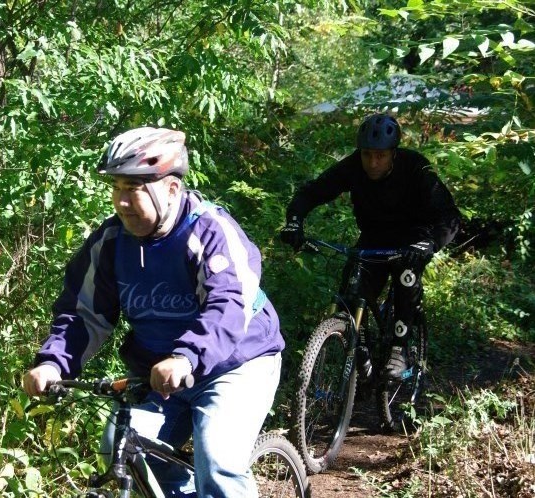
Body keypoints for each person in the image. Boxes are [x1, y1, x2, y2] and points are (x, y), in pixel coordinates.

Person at [23, 126, 285, 497]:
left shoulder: (210, 231)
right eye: (116, 188)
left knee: (218, 461)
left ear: (172, 188)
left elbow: (229, 303)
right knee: (118, 445)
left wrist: (187, 357)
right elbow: (84, 314)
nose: (121, 201)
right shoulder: (111, 244)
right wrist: (54, 363)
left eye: (133, 188)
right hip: (162, 375)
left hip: (237, 364)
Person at [280, 113, 460, 381]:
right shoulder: (353, 166)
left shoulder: (416, 168)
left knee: (405, 275)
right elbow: (313, 191)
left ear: (393, 153)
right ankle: (359, 348)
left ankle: (400, 350)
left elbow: (450, 216)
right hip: (375, 236)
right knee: (351, 289)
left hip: (414, 238)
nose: (373, 163)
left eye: (381, 156)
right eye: (367, 155)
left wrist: (431, 243)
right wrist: (295, 222)